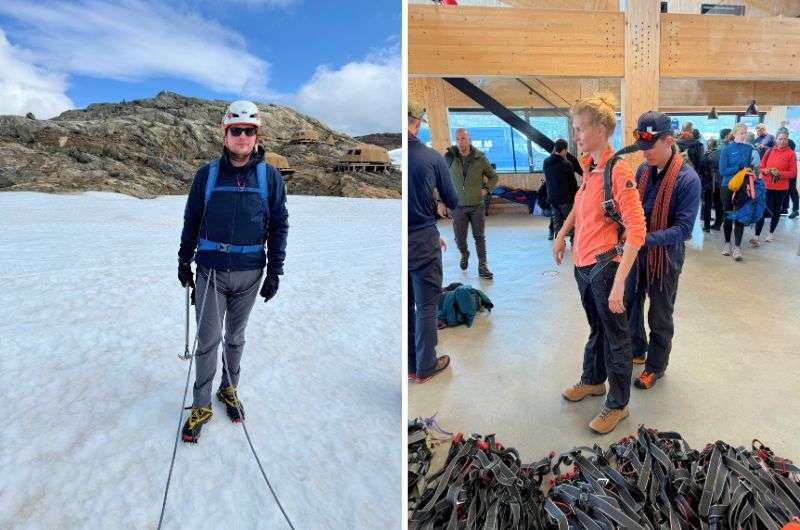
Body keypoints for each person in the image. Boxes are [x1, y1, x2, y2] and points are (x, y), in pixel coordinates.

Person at [178, 100, 289, 442]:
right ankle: (201, 403)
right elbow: (192, 219)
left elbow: (279, 224)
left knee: (236, 338)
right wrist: (184, 259)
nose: (243, 136)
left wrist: (275, 270)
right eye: (236, 130)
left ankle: (229, 389)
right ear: (225, 134)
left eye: (249, 130)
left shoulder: (269, 177)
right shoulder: (207, 175)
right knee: (208, 340)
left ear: (257, 135)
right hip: (210, 271)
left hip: (250, 273)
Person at [553, 94, 646, 434]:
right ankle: (593, 380)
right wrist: (562, 233)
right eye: (574, 129)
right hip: (582, 266)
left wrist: (621, 282)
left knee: (617, 337)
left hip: (607, 270)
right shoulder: (590, 168)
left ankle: (618, 404)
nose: (575, 135)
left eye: (579, 129)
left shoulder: (618, 173)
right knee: (597, 328)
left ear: (601, 130)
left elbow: (637, 230)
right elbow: (580, 205)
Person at [624, 111, 701, 389]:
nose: (644, 152)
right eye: (641, 145)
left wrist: (644, 238)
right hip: (638, 253)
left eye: (650, 146)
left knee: (659, 313)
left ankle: (656, 366)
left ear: (668, 141)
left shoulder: (687, 179)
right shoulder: (643, 170)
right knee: (631, 302)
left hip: (665, 256)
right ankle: (637, 347)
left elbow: (684, 230)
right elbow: (635, 208)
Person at [408, 99, 459, 384]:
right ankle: (426, 365)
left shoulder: (402, 157)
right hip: (423, 239)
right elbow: (452, 200)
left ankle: (411, 364)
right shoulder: (431, 157)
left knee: (406, 305)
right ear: (416, 122)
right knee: (426, 305)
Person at [444, 128, 499, 279]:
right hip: (458, 206)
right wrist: (441, 201)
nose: (461, 142)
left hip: (476, 205)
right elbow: (442, 179)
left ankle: (483, 265)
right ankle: (464, 253)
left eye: (463, 139)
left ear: (469, 140)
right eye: (458, 139)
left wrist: (486, 189)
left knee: (479, 237)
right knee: (459, 238)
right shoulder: (449, 157)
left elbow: (493, 177)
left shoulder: (480, 158)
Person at [719, 122, 760, 261]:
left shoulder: (749, 149)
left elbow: (754, 167)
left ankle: (737, 247)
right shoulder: (726, 149)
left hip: (743, 187)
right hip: (727, 186)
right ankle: (727, 243)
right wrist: (738, 168)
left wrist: (751, 172)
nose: (743, 135)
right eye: (741, 133)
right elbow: (722, 171)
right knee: (728, 215)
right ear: (735, 133)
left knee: (740, 216)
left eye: (745, 133)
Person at [751, 128, 796, 244]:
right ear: (776, 139)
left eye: (785, 139)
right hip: (766, 186)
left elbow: (793, 173)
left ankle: (771, 233)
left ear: (787, 139)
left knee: (776, 211)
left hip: (781, 189)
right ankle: (756, 236)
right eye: (780, 139)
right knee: (762, 209)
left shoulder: (791, 154)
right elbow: (760, 168)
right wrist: (766, 171)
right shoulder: (769, 151)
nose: (782, 141)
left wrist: (779, 173)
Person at [542, 139, 579, 243]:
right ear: (564, 150)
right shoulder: (566, 164)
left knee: (557, 222)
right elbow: (573, 184)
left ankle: (559, 241)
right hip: (566, 199)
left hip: (552, 199)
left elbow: (546, 178)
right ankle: (574, 241)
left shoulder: (546, 162)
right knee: (570, 221)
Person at [701, 138, 724, 231]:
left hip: (709, 184)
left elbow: (704, 171)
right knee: (719, 204)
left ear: (708, 145)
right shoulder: (722, 153)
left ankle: (706, 227)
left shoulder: (707, 156)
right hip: (721, 183)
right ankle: (718, 224)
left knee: (707, 205)